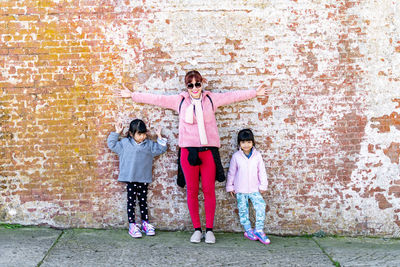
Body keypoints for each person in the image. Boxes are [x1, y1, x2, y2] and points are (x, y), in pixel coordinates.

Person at [115, 70, 268, 243]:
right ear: (186, 87)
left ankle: (209, 230)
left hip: (208, 151)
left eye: (197, 84)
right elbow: (157, 99)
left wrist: (255, 93)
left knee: (209, 191)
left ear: (202, 84)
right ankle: (197, 229)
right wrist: (132, 95)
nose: (195, 88)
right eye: (191, 85)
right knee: (192, 191)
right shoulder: (180, 101)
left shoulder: (211, 99)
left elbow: (232, 96)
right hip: (188, 152)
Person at [107, 119, 168, 238]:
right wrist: (117, 132)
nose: (142, 137)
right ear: (131, 133)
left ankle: (145, 223)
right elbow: (112, 144)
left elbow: (161, 149)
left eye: (144, 134)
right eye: (139, 134)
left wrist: (159, 136)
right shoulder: (124, 144)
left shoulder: (149, 145)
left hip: (143, 178)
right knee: (131, 203)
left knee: (143, 202)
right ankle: (132, 225)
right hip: (130, 178)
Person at [226, 128, 270, 244]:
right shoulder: (236, 156)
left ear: (253, 143)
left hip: (255, 189)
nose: (246, 145)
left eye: (249, 142)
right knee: (243, 210)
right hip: (240, 189)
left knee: (261, 206)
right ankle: (248, 230)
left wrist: (263, 185)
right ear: (239, 143)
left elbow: (262, 171)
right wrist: (230, 186)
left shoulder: (257, 155)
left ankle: (259, 230)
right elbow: (231, 172)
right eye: (243, 142)